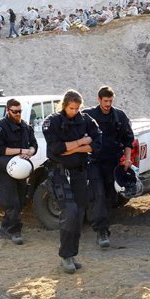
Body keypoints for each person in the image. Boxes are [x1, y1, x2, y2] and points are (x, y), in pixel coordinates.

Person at [42, 90, 102, 274]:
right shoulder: (53, 121)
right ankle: (66, 256)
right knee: (69, 211)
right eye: (71, 108)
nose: (74, 111)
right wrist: (81, 143)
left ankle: (72, 254)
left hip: (79, 173)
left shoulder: (86, 120)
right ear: (64, 105)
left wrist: (73, 148)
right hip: (60, 173)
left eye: (77, 108)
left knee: (79, 213)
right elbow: (55, 149)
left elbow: (97, 143)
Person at [83, 86, 134, 249]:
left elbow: (128, 139)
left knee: (110, 196)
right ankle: (102, 231)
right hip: (94, 161)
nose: (108, 104)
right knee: (98, 194)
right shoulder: (88, 115)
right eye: (105, 101)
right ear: (99, 100)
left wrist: (127, 159)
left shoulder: (119, 116)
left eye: (110, 101)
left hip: (112, 162)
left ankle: (102, 224)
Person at [0, 98, 38, 245]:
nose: (17, 114)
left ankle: (5, 227)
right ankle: (15, 231)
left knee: (21, 199)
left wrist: (30, 152)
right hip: (5, 166)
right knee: (12, 201)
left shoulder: (25, 127)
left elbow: (33, 145)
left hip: (21, 167)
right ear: (7, 110)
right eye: (14, 111)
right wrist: (21, 150)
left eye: (19, 111)